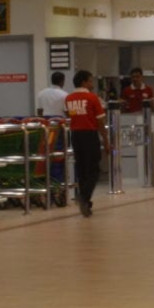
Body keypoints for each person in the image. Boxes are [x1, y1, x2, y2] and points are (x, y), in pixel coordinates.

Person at [66, 70, 109, 217]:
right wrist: (106, 141)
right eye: (90, 81)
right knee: (94, 169)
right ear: (84, 82)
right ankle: (83, 197)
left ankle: (86, 201)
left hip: (75, 135)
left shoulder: (69, 99)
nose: (92, 84)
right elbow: (100, 122)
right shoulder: (92, 98)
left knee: (82, 168)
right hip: (90, 135)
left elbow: (69, 116)